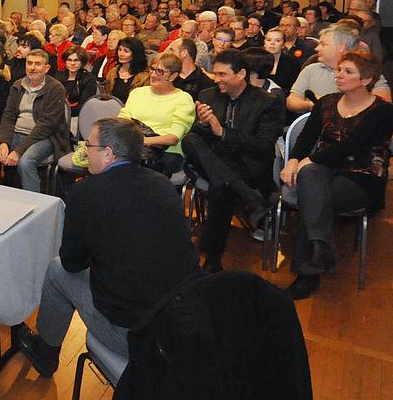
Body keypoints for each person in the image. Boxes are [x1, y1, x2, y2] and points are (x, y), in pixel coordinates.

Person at [18, 118, 199, 376]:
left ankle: (45, 353)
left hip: (136, 336)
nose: (85, 151)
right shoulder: (162, 184)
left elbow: (71, 262)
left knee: (56, 270)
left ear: (107, 153)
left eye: (89, 145)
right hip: (183, 325)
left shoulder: (86, 193)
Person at [281, 52, 393, 300]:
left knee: (312, 197)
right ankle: (320, 250)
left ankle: (307, 274)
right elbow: (306, 138)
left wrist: (310, 160)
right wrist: (293, 161)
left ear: (366, 80)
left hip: (362, 177)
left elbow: (352, 146)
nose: (339, 75)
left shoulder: (383, 111)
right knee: (312, 185)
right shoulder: (327, 102)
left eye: (348, 72)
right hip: (323, 171)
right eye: (339, 70)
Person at [286, 24, 393, 179]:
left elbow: (381, 108)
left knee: (364, 124)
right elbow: (291, 102)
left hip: (356, 141)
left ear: (341, 47)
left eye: (323, 44)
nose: (317, 48)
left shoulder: (365, 73)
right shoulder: (311, 70)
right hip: (319, 130)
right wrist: (317, 106)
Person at [182, 49, 281, 273]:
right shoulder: (207, 95)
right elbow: (198, 136)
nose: (217, 79)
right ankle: (247, 195)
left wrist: (222, 132)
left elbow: (263, 145)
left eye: (222, 74)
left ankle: (212, 259)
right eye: (215, 73)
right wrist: (203, 125)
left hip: (247, 164)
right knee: (189, 140)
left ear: (241, 74)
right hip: (213, 159)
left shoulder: (267, 102)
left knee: (222, 185)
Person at [0, 49, 70, 192]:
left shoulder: (55, 88)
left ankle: (35, 203)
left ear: (46, 68)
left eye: (37, 64)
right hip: (16, 134)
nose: (32, 67)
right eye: (29, 63)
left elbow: (47, 125)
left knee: (25, 162)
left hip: (45, 138)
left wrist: (18, 151)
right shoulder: (18, 85)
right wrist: (3, 142)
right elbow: (8, 115)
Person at [118, 53, 195, 175]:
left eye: (160, 71)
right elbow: (122, 122)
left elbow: (173, 138)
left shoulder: (183, 99)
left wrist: (141, 141)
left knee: (132, 167)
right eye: (152, 69)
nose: (153, 75)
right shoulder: (137, 93)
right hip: (134, 146)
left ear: (173, 75)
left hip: (166, 152)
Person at [54, 45, 97, 117]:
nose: (72, 63)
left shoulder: (89, 79)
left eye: (76, 60)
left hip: (77, 116)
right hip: (56, 114)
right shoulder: (58, 76)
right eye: (69, 60)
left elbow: (84, 105)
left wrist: (61, 112)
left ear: (82, 62)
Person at [103, 36, 149, 103]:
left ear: (135, 54)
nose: (121, 54)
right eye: (119, 50)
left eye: (126, 51)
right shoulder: (112, 72)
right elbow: (106, 96)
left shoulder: (145, 77)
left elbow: (143, 101)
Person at [264, 28, 301, 92]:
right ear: (264, 43)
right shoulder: (255, 60)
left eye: (277, 41)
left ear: (283, 44)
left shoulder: (293, 64)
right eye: (269, 40)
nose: (272, 43)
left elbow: (293, 89)